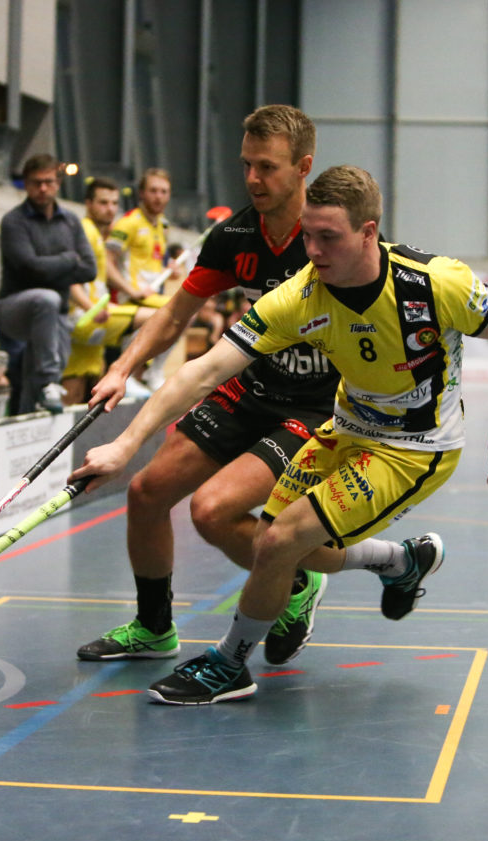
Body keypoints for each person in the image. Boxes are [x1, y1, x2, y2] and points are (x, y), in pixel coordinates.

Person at [71, 164, 488, 704]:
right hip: (348, 426)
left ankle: (229, 664)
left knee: (281, 541)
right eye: (308, 235)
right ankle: (400, 561)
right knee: (274, 546)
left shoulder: (435, 283)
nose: (312, 250)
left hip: (414, 448)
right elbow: (204, 371)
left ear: (368, 232)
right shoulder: (301, 295)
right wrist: (126, 444)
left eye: (328, 237)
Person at [74, 106, 351, 669]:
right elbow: (176, 314)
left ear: (304, 167)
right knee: (146, 494)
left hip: (318, 407)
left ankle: (296, 581)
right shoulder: (236, 236)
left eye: (267, 167)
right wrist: (122, 367)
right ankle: (154, 628)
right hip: (252, 389)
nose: (252, 179)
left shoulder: (333, 237)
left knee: (212, 511)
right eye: (246, 165)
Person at [0, 153, 98, 414]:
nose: (42, 188)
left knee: (42, 383)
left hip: (55, 313)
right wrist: (68, 259)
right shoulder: (14, 221)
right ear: (26, 185)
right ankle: (49, 380)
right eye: (36, 183)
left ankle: (37, 400)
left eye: (48, 182)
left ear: (58, 183)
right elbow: (29, 268)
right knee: (46, 299)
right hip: (14, 308)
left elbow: (89, 269)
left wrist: (46, 267)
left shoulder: (70, 221)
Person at [61, 176, 157, 405]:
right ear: (88, 204)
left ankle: (130, 375)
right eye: (103, 203)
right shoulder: (84, 232)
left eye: (114, 203)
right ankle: (131, 374)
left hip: (95, 320)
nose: (110, 209)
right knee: (156, 317)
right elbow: (70, 278)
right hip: (84, 318)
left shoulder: (98, 235)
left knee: (84, 392)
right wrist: (90, 308)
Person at [106, 168, 172, 307]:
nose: (158, 196)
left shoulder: (163, 225)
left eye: (164, 192)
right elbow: (106, 263)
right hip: (129, 300)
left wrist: (169, 270)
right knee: (181, 310)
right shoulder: (128, 223)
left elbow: (150, 265)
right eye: (153, 191)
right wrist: (132, 291)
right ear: (141, 193)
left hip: (152, 297)